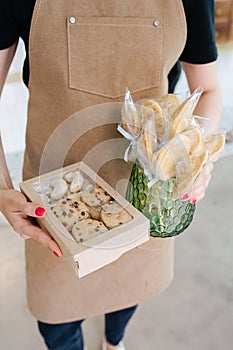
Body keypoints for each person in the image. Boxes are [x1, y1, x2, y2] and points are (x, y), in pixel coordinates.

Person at [0, 1, 222, 349]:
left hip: (144, 191)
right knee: (57, 323)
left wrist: (192, 160)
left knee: (126, 294)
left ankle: (113, 341)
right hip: (56, 196)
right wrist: (1, 186)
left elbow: (207, 89)